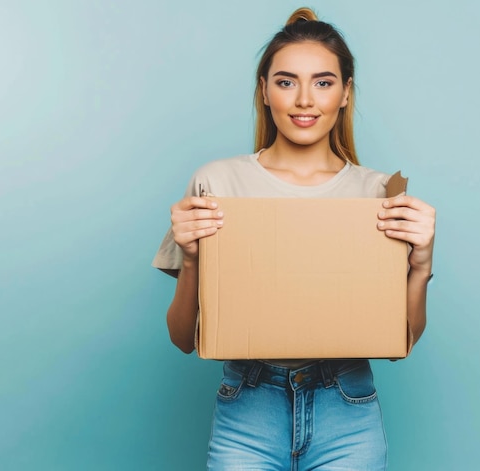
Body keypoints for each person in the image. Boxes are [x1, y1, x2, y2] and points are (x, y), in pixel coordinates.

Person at [152, 7, 436, 470]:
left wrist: (420, 266)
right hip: (248, 408)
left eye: (323, 82)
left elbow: (401, 342)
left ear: (346, 94)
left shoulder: (379, 194)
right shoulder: (216, 183)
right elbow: (183, 338)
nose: (305, 99)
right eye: (286, 82)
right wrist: (193, 258)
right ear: (264, 91)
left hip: (347, 407)